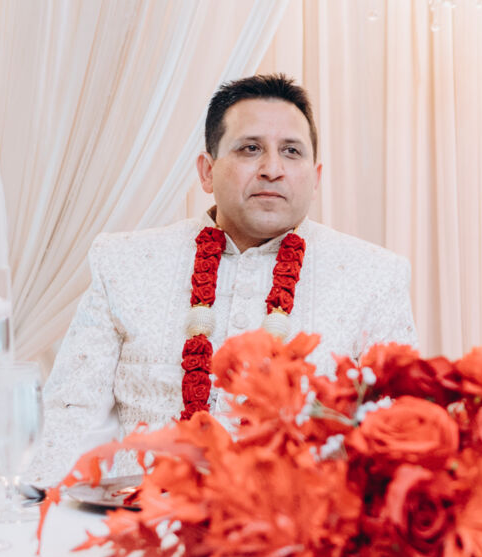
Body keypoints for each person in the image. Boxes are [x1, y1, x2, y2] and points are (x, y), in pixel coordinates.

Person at [28, 73, 416, 484]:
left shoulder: (374, 276)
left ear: (315, 177)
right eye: (250, 148)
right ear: (207, 172)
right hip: (145, 513)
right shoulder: (125, 262)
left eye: (291, 151)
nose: (272, 169)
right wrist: (46, 510)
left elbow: (396, 440)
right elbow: (70, 420)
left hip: (302, 520)